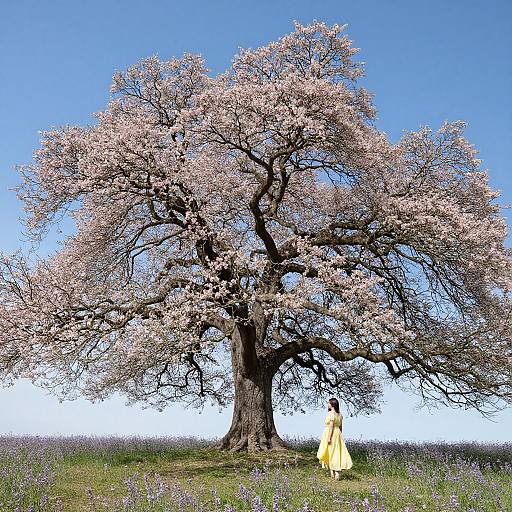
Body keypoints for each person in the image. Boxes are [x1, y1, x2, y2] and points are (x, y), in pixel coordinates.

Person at [316, 397, 353, 479]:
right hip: (337, 434)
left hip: (330, 433)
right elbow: (341, 427)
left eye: (328, 403)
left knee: (330, 452)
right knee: (335, 452)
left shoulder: (331, 414)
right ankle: (332, 472)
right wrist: (339, 436)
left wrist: (329, 437)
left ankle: (336, 472)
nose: (327, 405)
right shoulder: (339, 415)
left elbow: (331, 426)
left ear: (332, 404)